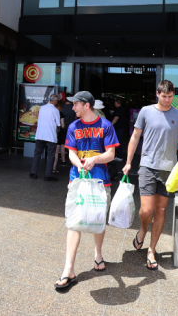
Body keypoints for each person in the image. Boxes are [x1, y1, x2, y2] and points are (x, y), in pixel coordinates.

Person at [123, 80, 178, 271]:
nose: (167, 100)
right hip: (147, 166)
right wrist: (128, 162)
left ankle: (151, 249)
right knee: (146, 210)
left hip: (169, 170)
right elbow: (134, 137)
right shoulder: (146, 111)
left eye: (170, 96)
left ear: (173, 95)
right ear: (157, 94)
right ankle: (143, 229)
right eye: (164, 96)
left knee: (160, 211)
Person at [55, 91, 118, 291]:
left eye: (75, 104)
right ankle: (68, 269)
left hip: (101, 183)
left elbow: (110, 154)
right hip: (77, 182)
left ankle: (98, 255)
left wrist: (94, 159)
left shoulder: (105, 126)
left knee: (98, 219)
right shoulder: (73, 126)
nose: (72, 108)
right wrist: (80, 165)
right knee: (73, 223)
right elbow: (72, 152)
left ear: (86, 105)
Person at [31, 94, 62, 181]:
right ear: (55, 101)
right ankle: (48, 175)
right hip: (50, 136)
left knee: (37, 154)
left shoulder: (42, 108)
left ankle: (34, 173)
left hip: (40, 135)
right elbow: (58, 125)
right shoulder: (55, 110)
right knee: (51, 155)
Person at [58, 94, 76, 172]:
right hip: (72, 129)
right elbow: (76, 118)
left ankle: (63, 161)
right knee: (71, 145)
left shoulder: (62, 108)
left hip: (63, 129)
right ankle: (73, 160)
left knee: (62, 145)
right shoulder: (74, 108)